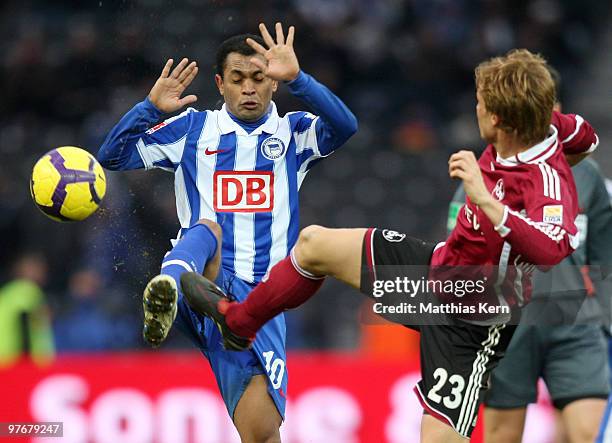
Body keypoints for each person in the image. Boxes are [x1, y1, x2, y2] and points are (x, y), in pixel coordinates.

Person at [180, 49, 599, 442]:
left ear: (500, 119)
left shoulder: (546, 180)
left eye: (480, 104)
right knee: (313, 245)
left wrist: (486, 198)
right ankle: (239, 324)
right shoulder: (547, 127)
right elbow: (588, 138)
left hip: (473, 318)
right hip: (436, 272)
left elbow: (551, 247)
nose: (476, 110)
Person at [97, 23, 357, 443]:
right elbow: (113, 155)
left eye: (259, 78)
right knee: (208, 224)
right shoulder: (191, 129)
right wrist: (150, 108)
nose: (249, 89)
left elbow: (345, 126)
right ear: (221, 83)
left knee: (263, 434)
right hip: (205, 274)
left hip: (259, 302)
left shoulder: (293, 131)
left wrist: (298, 79)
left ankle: (196, 301)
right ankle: (173, 285)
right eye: (238, 79)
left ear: (272, 82)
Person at [446, 69, 610, 443]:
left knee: (588, 434)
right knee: (503, 436)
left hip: (574, 322)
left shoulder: (588, 176)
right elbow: (462, 251)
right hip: (509, 324)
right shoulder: (486, 173)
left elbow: (606, 253)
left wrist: (606, 319)